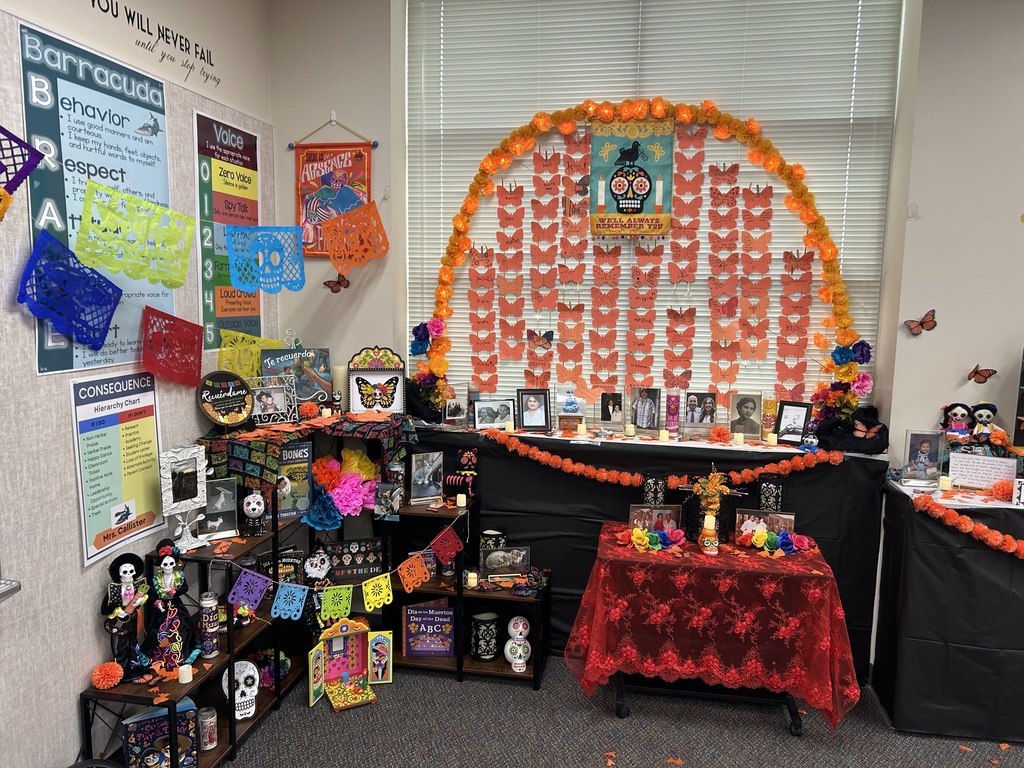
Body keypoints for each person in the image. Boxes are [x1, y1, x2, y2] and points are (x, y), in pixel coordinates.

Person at [143, 539, 201, 670]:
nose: (168, 566)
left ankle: (181, 654)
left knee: (182, 628)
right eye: (165, 563)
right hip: (162, 608)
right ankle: (161, 656)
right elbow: (152, 593)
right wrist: (156, 601)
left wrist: (176, 591)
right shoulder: (156, 579)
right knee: (159, 630)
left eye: (171, 563)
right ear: (161, 566)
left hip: (176, 606)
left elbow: (184, 587)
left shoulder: (178, 576)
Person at [101, 552, 153, 683]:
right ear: (119, 575)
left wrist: (141, 601)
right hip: (121, 619)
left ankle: (135, 663)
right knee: (121, 642)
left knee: (134, 639)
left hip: (135, 616)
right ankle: (121, 666)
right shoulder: (114, 590)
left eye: (131, 572)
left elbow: (150, 595)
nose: (128, 576)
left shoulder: (139, 587)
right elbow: (104, 609)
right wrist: (117, 611)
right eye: (125, 572)